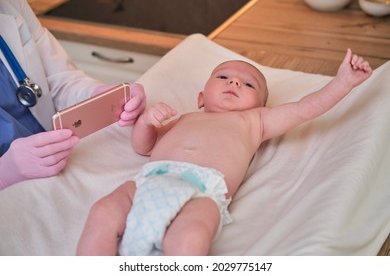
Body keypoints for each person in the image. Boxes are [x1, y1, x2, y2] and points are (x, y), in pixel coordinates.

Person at [76, 49, 372, 256]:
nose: (234, 83)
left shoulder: (254, 121)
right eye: (223, 77)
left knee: (191, 236)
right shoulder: (183, 118)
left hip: (203, 192)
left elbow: (304, 109)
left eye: (248, 84)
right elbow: (143, 147)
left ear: (261, 106)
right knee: (103, 212)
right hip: (149, 180)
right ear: (201, 97)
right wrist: (147, 122)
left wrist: (342, 82)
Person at [0, 0, 146, 190]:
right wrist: (4, 173)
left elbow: (58, 79)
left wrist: (97, 94)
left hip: (59, 163)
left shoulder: (10, 2)